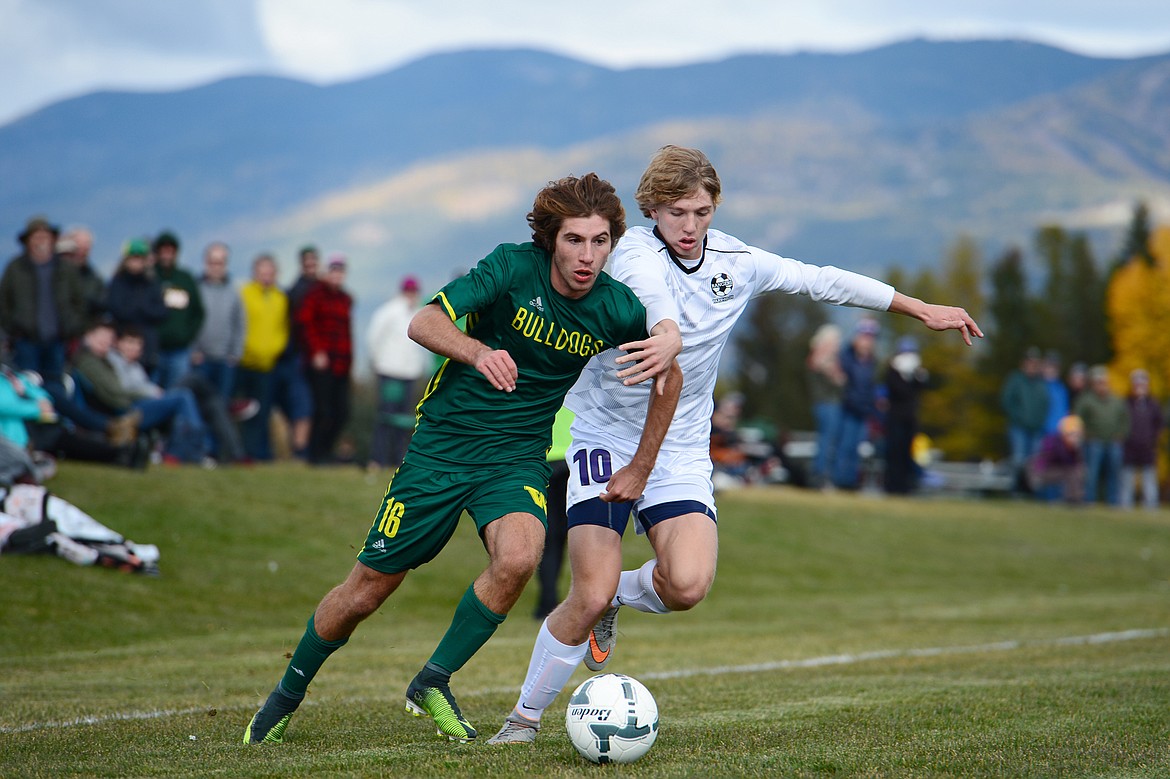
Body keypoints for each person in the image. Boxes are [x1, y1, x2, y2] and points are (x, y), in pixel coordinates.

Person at [488, 145, 980, 746]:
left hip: (681, 445)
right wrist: (665, 347)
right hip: (608, 437)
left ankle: (618, 594)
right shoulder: (636, 257)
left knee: (688, 585)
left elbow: (821, 280)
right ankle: (523, 721)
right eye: (675, 213)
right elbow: (660, 310)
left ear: (714, 206)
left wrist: (918, 308)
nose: (689, 227)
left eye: (700, 211)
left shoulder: (735, 260)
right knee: (584, 590)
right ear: (650, 210)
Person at [243, 172, 682, 746]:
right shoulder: (510, 267)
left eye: (600, 242)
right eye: (575, 239)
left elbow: (669, 373)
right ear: (551, 238)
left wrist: (645, 452)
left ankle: (433, 681)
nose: (587, 256)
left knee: (520, 556)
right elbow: (423, 320)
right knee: (367, 590)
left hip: (516, 457)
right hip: (441, 448)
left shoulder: (614, 307)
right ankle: (286, 694)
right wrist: (477, 351)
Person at [73, 321, 208, 464]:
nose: (105, 341)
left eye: (108, 337)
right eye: (101, 336)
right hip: (126, 412)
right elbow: (117, 392)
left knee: (187, 398)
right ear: (88, 337)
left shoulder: (106, 360)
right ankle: (186, 451)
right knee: (183, 397)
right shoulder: (92, 361)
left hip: (131, 406)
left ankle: (184, 450)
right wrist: (149, 394)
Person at [0, 216, 88, 389]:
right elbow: (4, 302)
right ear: (28, 241)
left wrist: (72, 327)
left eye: (45, 237)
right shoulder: (16, 268)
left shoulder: (65, 268)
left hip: (57, 339)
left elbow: (79, 301)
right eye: (36, 237)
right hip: (25, 340)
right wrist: (14, 328)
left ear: (53, 239)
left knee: (56, 385)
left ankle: (56, 416)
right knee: (28, 385)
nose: (41, 242)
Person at [366, 275, 430, 472]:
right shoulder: (389, 311)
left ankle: (398, 459)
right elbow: (373, 337)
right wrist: (377, 363)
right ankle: (378, 459)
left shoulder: (419, 312)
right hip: (390, 371)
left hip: (409, 373)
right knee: (387, 416)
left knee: (404, 420)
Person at [297, 254, 354, 464]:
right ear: (327, 272)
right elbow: (305, 324)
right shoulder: (315, 295)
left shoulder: (346, 298)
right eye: (334, 271)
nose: (337, 275)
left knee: (342, 412)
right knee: (321, 410)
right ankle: (315, 454)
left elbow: (347, 333)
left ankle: (326, 451)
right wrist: (316, 351)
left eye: (341, 271)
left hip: (342, 363)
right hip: (322, 362)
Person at [236, 254, 289, 461]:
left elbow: (282, 329)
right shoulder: (244, 294)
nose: (266, 276)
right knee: (239, 410)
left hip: (267, 364)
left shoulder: (280, 298)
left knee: (262, 413)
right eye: (262, 272)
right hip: (243, 362)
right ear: (255, 273)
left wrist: (275, 349)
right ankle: (235, 451)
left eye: (270, 272)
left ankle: (256, 453)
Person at [272, 245, 320, 458]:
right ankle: (300, 450)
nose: (310, 267)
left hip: (310, 357)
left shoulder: (318, 290)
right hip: (295, 356)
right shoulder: (295, 292)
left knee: (309, 406)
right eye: (307, 263)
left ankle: (305, 450)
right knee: (301, 405)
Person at [104, 239, 168, 377]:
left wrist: (141, 308)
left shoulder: (151, 283)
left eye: (140, 258)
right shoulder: (117, 283)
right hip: (123, 349)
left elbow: (162, 312)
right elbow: (118, 311)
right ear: (126, 260)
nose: (136, 262)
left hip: (148, 348)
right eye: (133, 258)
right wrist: (143, 309)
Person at [533, 406, 573, 620]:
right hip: (576, 452)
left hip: (546, 453)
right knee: (575, 532)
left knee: (550, 535)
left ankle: (547, 602)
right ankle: (580, 596)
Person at [152, 231, 205, 389]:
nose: (167, 255)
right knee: (152, 394)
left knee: (177, 392)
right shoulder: (150, 277)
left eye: (171, 251)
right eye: (163, 250)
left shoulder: (185, 278)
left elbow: (199, 312)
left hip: (180, 351)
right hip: (153, 350)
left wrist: (187, 336)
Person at [1073, 365, 1129, 505]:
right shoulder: (1086, 400)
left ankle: (1113, 501)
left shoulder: (1116, 400)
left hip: (1113, 441)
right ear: (1093, 384)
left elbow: (1125, 419)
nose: (1101, 385)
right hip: (1093, 441)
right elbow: (1077, 419)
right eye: (1098, 382)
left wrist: (1121, 434)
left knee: (1114, 472)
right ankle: (1089, 500)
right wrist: (1085, 434)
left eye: (1103, 382)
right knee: (1091, 472)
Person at [882, 336, 929, 495]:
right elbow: (901, 392)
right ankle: (892, 485)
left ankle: (905, 485)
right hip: (895, 419)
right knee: (894, 452)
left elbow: (919, 391)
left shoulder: (916, 373)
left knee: (907, 452)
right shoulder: (893, 372)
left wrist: (917, 376)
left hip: (910, 419)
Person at [1000, 347, 1049, 494]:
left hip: (1036, 428)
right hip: (1018, 427)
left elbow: (1045, 404)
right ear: (1024, 363)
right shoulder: (1016, 379)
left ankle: (1030, 492)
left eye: (1035, 362)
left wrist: (1039, 420)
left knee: (1034, 462)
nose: (1032, 365)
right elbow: (1006, 400)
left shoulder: (1041, 383)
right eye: (1029, 362)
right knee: (1018, 459)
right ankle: (1014, 490)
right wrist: (1018, 417)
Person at [806, 323, 844, 489]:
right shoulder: (821, 358)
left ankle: (823, 475)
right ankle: (820, 476)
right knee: (827, 441)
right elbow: (839, 380)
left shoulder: (824, 358)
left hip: (828, 404)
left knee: (829, 440)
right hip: (826, 404)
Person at [1120, 369, 1162, 510]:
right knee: (1127, 478)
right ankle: (1126, 505)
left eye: (1143, 384)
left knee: (1149, 478)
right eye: (1137, 384)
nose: (1140, 387)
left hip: (1147, 446)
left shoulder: (1153, 404)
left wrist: (1153, 439)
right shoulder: (1126, 403)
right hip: (1129, 445)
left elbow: (1159, 424)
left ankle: (1151, 505)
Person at [1027, 414, 1086, 504]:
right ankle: (1070, 498)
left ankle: (1074, 499)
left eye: (1077, 435)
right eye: (1073, 434)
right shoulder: (1054, 442)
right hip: (1040, 470)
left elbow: (1075, 464)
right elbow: (1043, 459)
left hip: (1056, 470)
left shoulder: (1072, 447)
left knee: (1076, 471)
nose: (1076, 438)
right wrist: (1036, 475)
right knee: (1071, 471)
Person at [58, 226, 106, 327]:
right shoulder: (53, 274)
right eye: (78, 247)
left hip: (85, 329)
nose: (82, 252)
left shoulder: (95, 279)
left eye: (86, 248)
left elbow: (102, 304)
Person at [1040, 350, 1069, 435]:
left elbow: (1064, 410)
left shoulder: (1062, 388)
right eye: (1049, 366)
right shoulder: (1039, 386)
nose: (1051, 370)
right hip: (1040, 432)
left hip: (1058, 433)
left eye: (1055, 367)